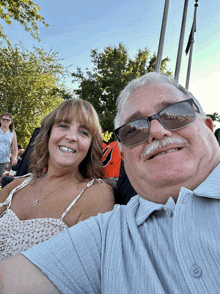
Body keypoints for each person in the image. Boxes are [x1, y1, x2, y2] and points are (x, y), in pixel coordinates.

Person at [1, 72, 220, 293]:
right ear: (123, 155)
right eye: (134, 129)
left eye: (175, 113)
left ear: (208, 127)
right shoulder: (110, 232)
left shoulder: (96, 196)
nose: (157, 131)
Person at [0, 98, 114, 261]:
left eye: (83, 132)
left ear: (90, 145)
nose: (72, 137)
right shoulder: (18, 185)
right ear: (48, 134)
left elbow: (85, 272)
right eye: (63, 126)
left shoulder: (96, 193)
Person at [0, 112, 18, 183]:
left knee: (1, 177)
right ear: (0, 120)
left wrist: (14, 158)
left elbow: (14, 146)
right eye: (3, 119)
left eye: (8, 120)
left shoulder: (12, 132)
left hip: (4, 159)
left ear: (11, 122)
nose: (5, 121)